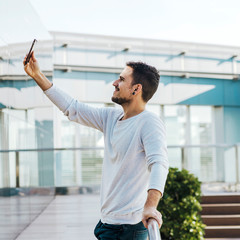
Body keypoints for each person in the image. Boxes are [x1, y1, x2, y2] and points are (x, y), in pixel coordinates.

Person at [23, 51, 169, 240]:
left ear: (136, 89)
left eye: (121, 79)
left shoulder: (149, 122)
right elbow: (72, 108)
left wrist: (150, 206)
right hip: (108, 223)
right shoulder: (111, 117)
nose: (115, 83)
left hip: (128, 229)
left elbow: (159, 163)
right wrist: (37, 75)